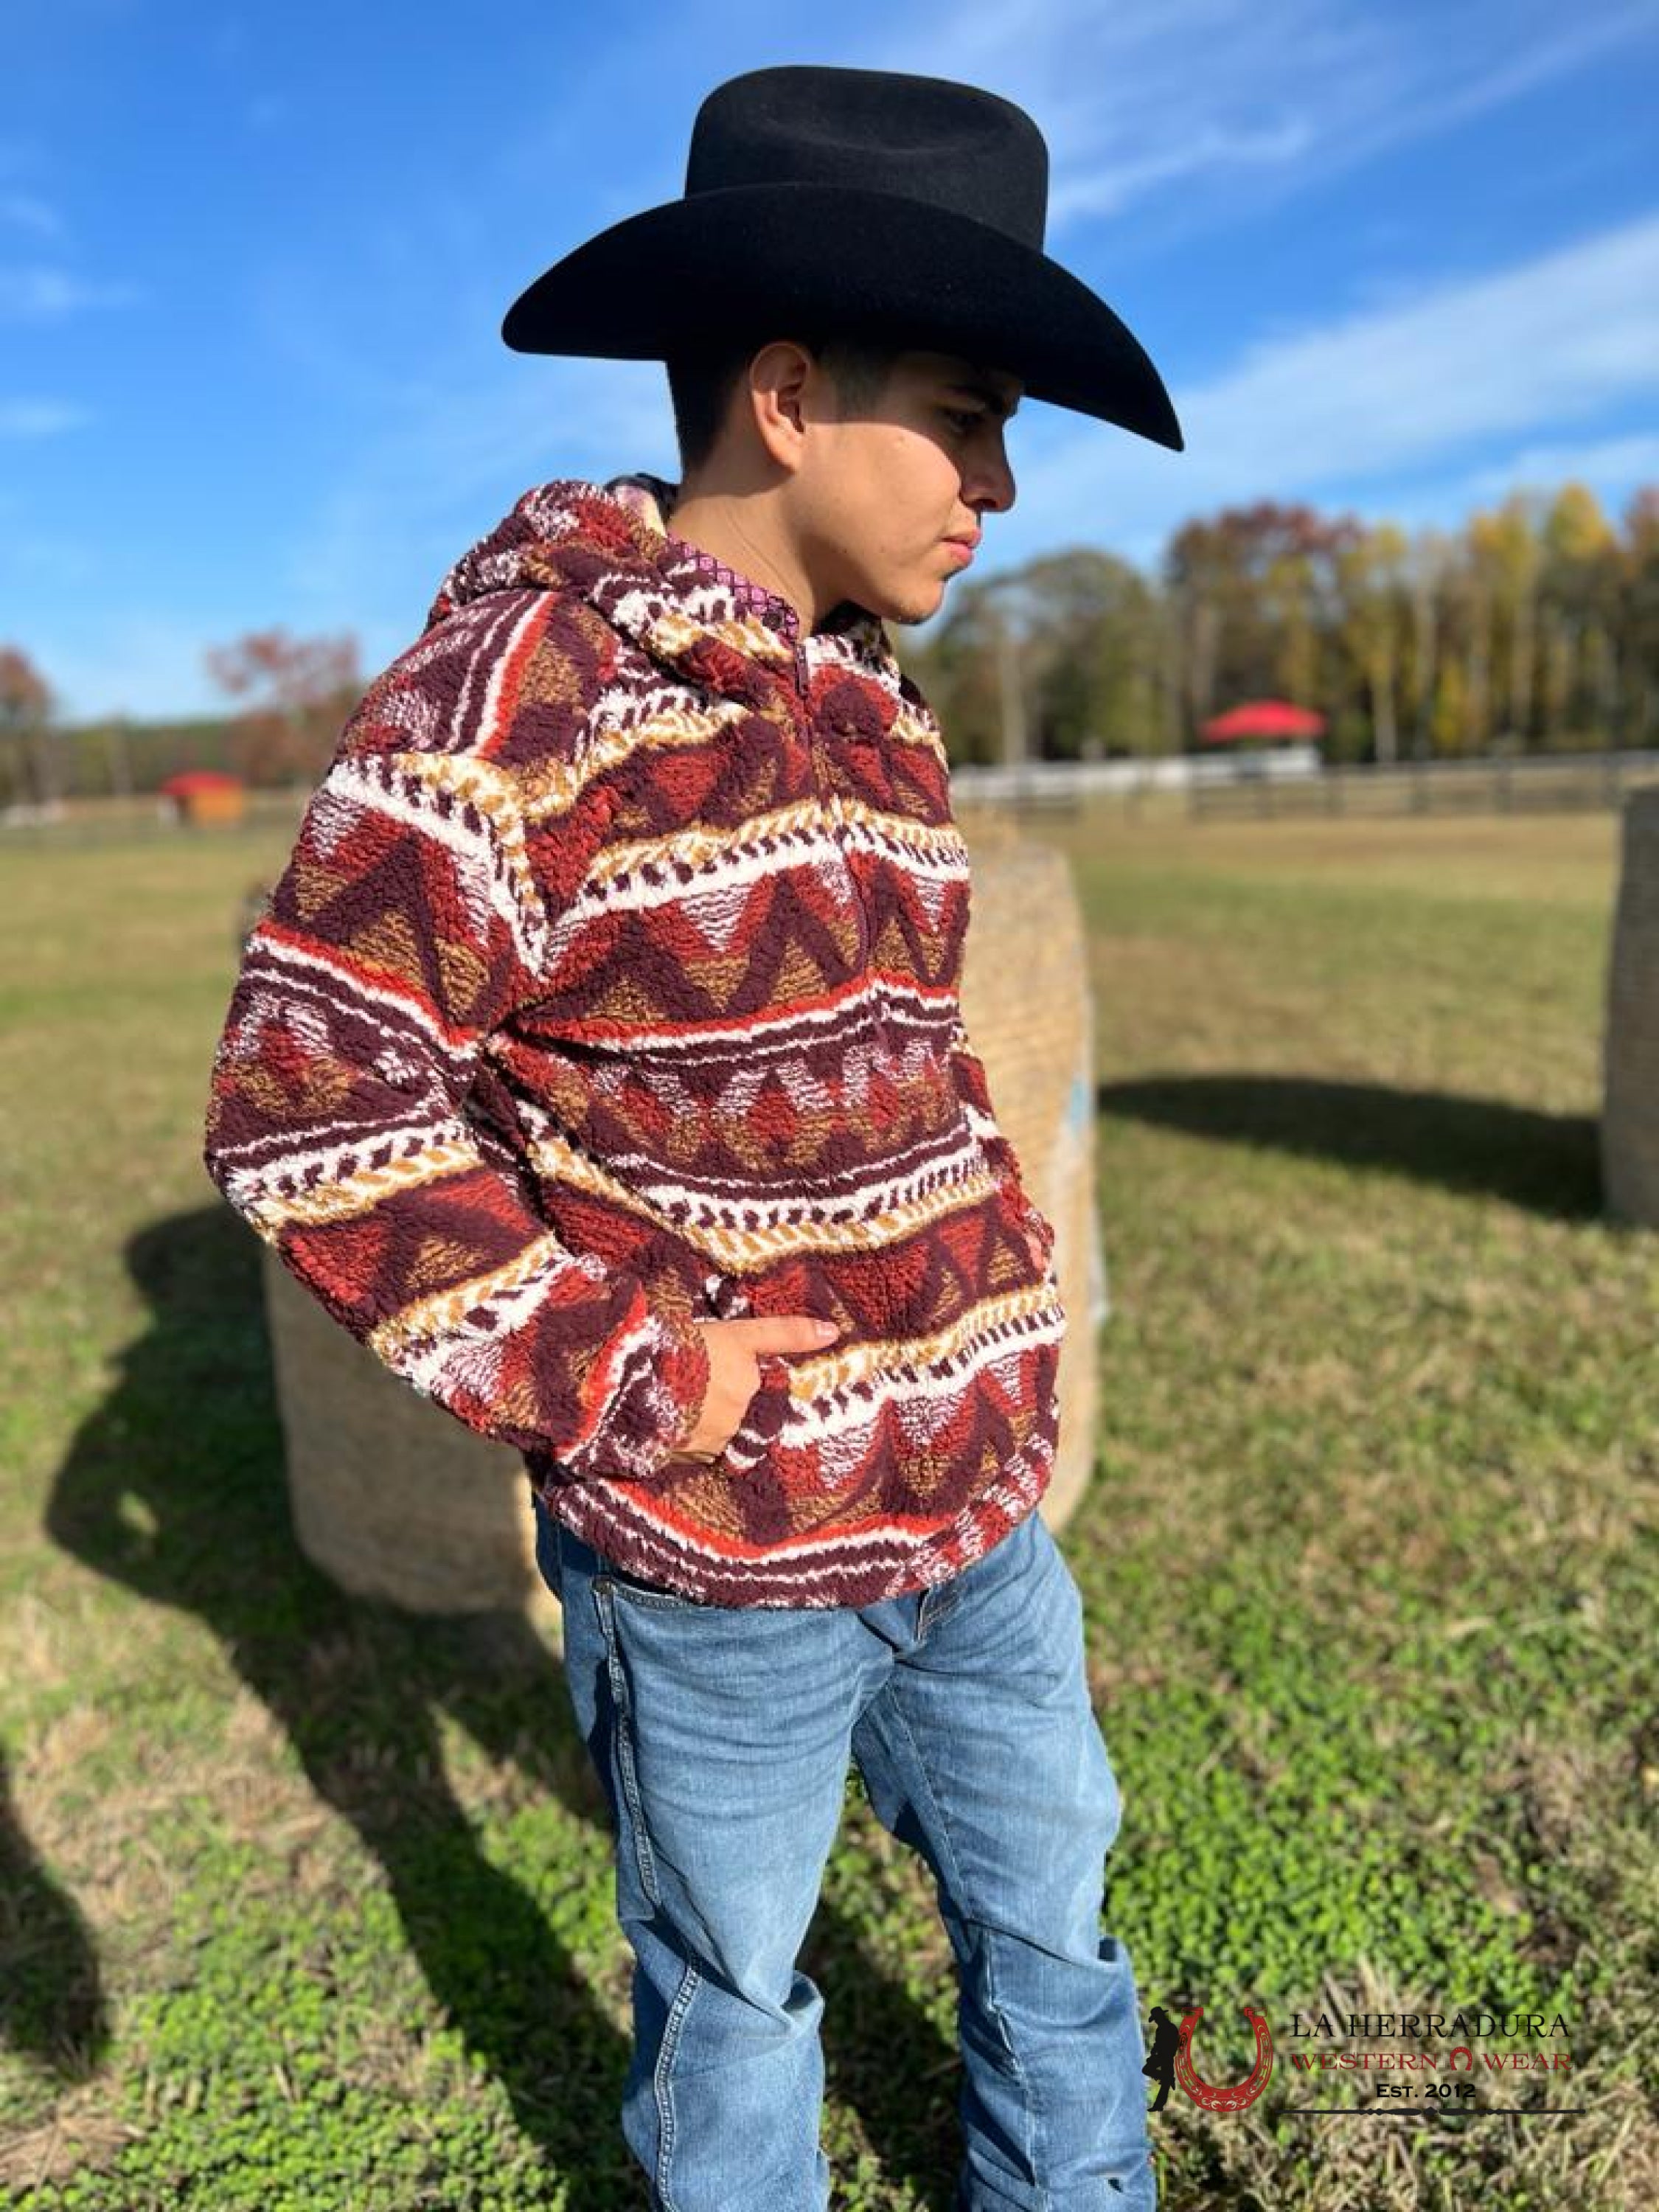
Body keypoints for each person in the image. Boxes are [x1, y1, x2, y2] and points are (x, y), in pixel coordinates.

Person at [201, 61, 1183, 2212]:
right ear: (789, 396)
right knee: (736, 2000)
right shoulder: (513, 702)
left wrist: (1000, 1303)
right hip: (715, 1549)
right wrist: (634, 1380)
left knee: (1058, 1928)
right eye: (970, 416)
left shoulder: (872, 702)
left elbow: (913, 1056)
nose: (1001, 484)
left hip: (973, 1508)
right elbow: (307, 1094)